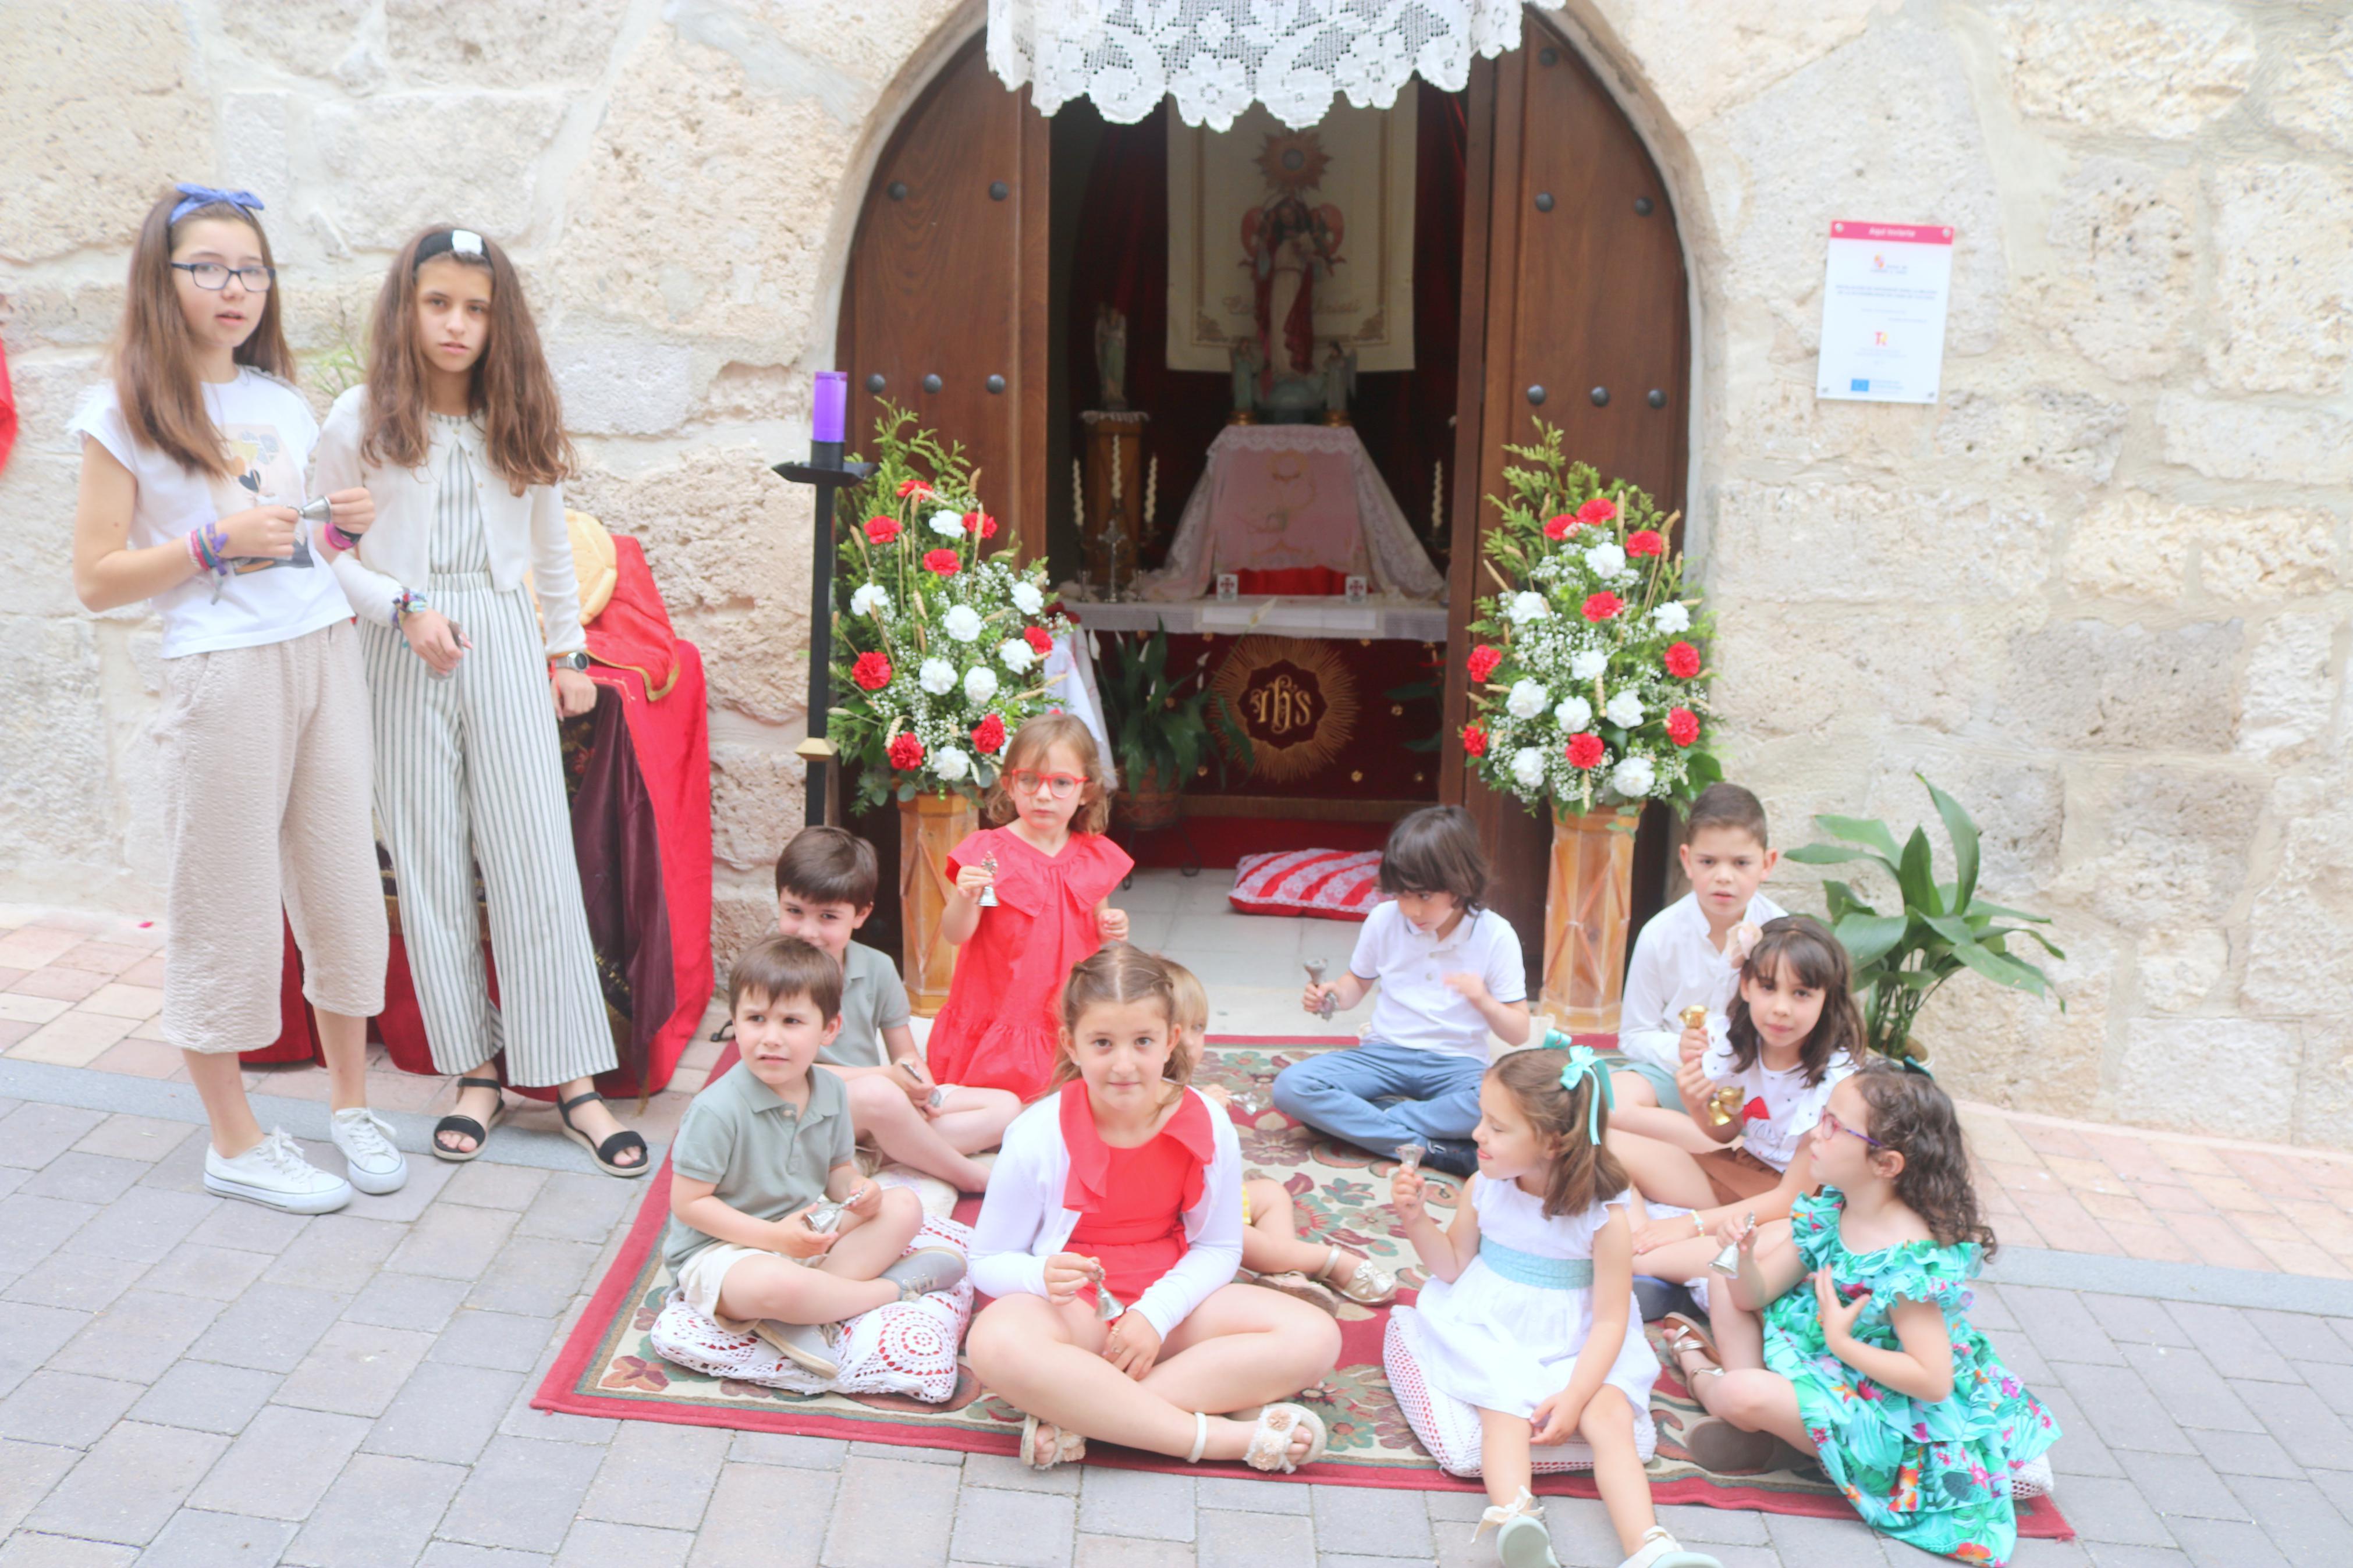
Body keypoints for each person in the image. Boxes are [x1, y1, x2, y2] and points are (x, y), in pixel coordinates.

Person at [66, 183, 398, 1213]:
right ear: (161, 282)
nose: (232, 289)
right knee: (224, 901)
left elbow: (304, 549)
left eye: (249, 269)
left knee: (344, 885)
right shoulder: (122, 410)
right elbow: (95, 579)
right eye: (206, 268)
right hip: (222, 672)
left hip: (321, 652)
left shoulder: (280, 401)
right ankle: (234, 1139)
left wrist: (343, 527)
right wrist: (209, 544)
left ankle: (351, 1106)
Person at [315, 225, 644, 1176]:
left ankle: (573, 1080)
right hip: (399, 644)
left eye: (477, 307)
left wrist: (565, 651)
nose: (457, 325)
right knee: (429, 864)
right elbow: (322, 549)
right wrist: (401, 606)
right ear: (405, 307)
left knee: (533, 851)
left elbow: (546, 548)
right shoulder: (358, 419)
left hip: (500, 636)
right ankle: (476, 1071)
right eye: (438, 303)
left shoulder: (517, 411)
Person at [965, 944, 1341, 1472]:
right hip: (1078, 1312)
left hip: (1174, 1303)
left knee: (1316, 1335)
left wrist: (1153, 1315)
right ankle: (1215, 1438)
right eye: (1102, 1043)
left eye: (1142, 1041)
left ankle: (1087, 1417)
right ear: (1071, 1044)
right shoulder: (1036, 1133)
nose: (1124, 1064)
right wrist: (1039, 1272)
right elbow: (986, 1259)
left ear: (1170, 1041)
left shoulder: (1207, 1122)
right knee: (995, 1341)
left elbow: (1219, 1246)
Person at [1665, 1066, 2060, 1565]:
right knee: (1722, 1277)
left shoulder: (1907, 1259)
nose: (1815, 1133)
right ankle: (1770, 1423)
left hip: (1888, 1414)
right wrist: (1742, 1259)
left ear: (1885, 1163)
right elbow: (1754, 1294)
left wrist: (1843, 1342)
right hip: (1826, 1357)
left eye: (1833, 1125)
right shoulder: (1836, 1208)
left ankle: (1706, 1375)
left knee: (1739, 1393)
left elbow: (1933, 1381)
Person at [1389, 1046, 1720, 1568]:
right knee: (1504, 1406)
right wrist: (1415, 1219)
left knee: (1607, 1417)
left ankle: (1650, 1545)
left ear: (1552, 1140)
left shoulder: (1603, 1218)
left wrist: (1575, 1395)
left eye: (1496, 1127)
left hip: (1580, 1332)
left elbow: (1611, 1318)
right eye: (1483, 1118)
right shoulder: (1484, 1188)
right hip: (1493, 1322)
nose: (1477, 1134)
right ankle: (1516, 1517)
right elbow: (1451, 1265)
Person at [665, 935, 966, 1379]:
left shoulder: (828, 1090)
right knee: (776, 1284)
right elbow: (689, 1204)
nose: (771, 1037)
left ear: (828, 1029)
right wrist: (773, 1239)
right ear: (735, 1021)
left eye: (790, 1021)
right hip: (724, 1252)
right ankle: (889, 1290)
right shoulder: (717, 1109)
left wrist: (858, 1191)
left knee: (902, 1203)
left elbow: (836, 1172)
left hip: (803, 1232)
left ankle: (811, 1308)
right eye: (754, 1018)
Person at [1272, 805, 1532, 1175]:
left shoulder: (1496, 935)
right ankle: (1431, 1148)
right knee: (1292, 1086)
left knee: (1505, 1106)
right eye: (1401, 895)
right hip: (1384, 1054)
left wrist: (1482, 1000)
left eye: (1424, 896)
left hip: (1457, 1066)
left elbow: (1518, 1030)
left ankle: (1373, 1118)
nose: (1411, 909)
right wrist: (1331, 994)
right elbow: (1356, 985)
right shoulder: (1384, 919)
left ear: (1462, 884)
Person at [1613, 916, 1862, 1293]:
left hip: (1793, 1201)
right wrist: (1695, 1103)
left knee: (1777, 1245)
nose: (1780, 1008)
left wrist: (1688, 1224)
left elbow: (1789, 1196)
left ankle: (1648, 1264)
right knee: (1602, 1145)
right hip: (1738, 1170)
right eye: (1768, 986)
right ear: (1745, 985)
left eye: (1801, 993)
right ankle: (1642, 1251)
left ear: (1827, 997)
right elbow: (1726, 1132)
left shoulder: (1834, 1079)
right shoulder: (1738, 1042)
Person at [774, 826, 1018, 1192]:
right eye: (794, 911)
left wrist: (917, 1085)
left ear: (860, 915)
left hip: (879, 1107)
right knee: (878, 1096)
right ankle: (970, 1177)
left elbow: (905, 1054)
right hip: (807, 1111)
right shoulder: (771, 974)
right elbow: (789, 1075)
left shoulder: (877, 967)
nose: (808, 931)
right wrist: (888, 1079)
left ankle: (878, 1155)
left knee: (1006, 1107)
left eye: (828, 917)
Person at [1170, 961, 1394, 1313]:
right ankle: (1326, 1261)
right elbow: (1168, 1176)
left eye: (1200, 1028)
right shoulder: (1141, 1095)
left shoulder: (1180, 1089)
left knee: (1271, 1194)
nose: (1194, 1041)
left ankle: (1285, 1274)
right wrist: (1201, 1116)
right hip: (1176, 1219)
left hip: (1207, 1201)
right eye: (1184, 1029)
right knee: (1229, 1229)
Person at [929, 713, 1131, 1100]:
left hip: (1061, 1004)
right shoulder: (989, 853)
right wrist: (964, 897)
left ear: (1086, 791)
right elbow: (956, 934)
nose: (1042, 794)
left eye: (1060, 783)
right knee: (995, 1101)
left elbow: (1100, 927)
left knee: (1062, 1102)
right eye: (1029, 780)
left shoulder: (1093, 856)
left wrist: (1114, 926)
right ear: (1009, 784)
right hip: (1002, 1002)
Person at [1610, 784, 1786, 1128]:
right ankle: (1718, 1146)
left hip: (1753, 1081)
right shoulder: (1659, 935)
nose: (1723, 876)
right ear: (1688, 861)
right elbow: (1633, 1035)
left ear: (1767, 864)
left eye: (1741, 863)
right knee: (1607, 1102)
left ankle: (1702, 1145)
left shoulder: (1780, 934)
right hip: (1678, 1076)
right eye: (1708, 862)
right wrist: (1680, 1048)